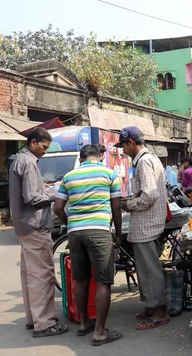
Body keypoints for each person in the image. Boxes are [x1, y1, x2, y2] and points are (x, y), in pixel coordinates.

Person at [54, 144, 123, 346]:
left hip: (75, 234)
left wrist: (70, 224)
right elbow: (116, 206)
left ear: (81, 157)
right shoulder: (109, 174)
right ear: (100, 156)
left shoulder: (68, 177)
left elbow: (58, 207)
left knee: (81, 279)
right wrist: (118, 235)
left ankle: (85, 323)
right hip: (99, 231)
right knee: (103, 281)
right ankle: (100, 332)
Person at [8, 127, 68, 338]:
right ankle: (45, 324)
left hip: (24, 226)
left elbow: (30, 191)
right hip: (35, 225)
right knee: (43, 276)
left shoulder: (19, 160)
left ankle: (34, 319)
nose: (45, 152)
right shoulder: (28, 162)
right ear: (33, 143)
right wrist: (55, 196)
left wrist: (44, 188)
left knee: (30, 275)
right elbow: (32, 198)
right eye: (44, 147)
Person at [115, 126, 169, 330]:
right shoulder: (148, 159)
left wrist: (128, 204)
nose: (123, 150)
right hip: (147, 223)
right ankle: (151, 305)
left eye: (123, 146)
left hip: (147, 224)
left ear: (131, 143)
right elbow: (145, 193)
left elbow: (150, 195)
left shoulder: (145, 161)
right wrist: (131, 199)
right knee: (144, 269)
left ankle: (159, 312)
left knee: (149, 269)